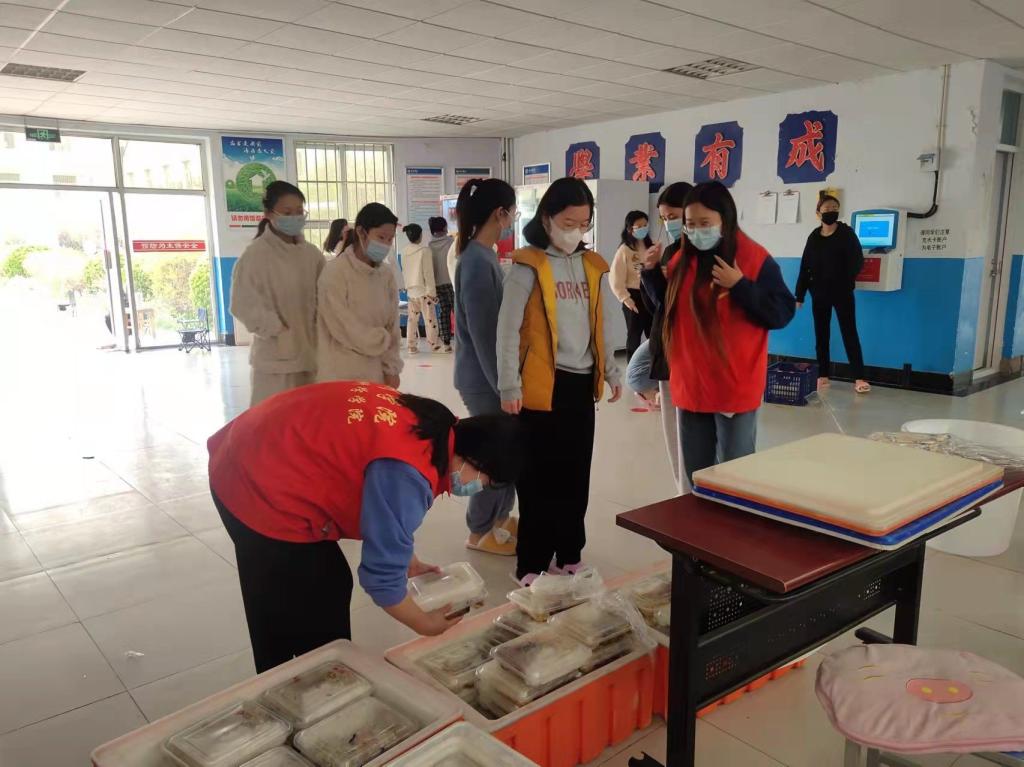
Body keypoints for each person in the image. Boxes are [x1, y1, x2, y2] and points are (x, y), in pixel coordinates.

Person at [208, 381, 524, 672]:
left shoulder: (437, 424)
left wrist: (405, 556)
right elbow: (382, 580)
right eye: (486, 481)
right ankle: (313, 685)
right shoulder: (408, 471)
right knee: (318, 599)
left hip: (253, 445)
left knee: (282, 591)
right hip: (256, 479)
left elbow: (383, 505)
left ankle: (276, 676)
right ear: (474, 460)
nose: (479, 488)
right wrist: (424, 624)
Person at [497, 177, 623, 584]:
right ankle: (531, 563)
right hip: (539, 386)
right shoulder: (527, 266)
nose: (576, 232)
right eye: (569, 223)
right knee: (537, 479)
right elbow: (507, 330)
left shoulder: (593, 266)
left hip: (580, 386)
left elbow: (603, 322)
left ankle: (569, 553)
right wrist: (509, 385)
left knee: (575, 475)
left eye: (584, 224)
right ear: (547, 218)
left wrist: (612, 371)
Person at [662, 181, 795, 483]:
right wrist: (649, 276)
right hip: (692, 384)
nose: (696, 231)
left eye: (705, 223)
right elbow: (667, 312)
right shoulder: (681, 260)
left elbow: (781, 312)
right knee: (697, 475)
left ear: (725, 219)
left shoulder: (754, 259)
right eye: (690, 224)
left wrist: (740, 285)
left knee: (736, 475)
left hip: (732, 384)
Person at [452, 178, 520, 557]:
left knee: (508, 453)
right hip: (484, 380)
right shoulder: (476, 261)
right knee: (494, 456)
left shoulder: (484, 255)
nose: (513, 219)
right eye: (512, 211)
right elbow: (482, 334)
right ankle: (478, 531)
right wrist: (503, 386)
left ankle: (499, 520)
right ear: (500, 213)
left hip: (492, 376)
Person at [230, 181, 325, 407]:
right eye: (287, 212)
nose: (295, 218)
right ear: (268, 214)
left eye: (299, 212)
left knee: (308, 421)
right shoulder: (255, 256)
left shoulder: (312, 255)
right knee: (273, 421)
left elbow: (326, 298)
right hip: (274, 364)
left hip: (310, 359)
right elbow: (242, 305)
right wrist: (279, 331)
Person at [638, 181, 693, 492]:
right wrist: (649, 272)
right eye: (664, 218)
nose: (669, 223)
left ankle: (693, 493)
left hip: (692, 354)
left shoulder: (706, 254)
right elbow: (659, 306)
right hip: (668, 348)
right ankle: (682, 492)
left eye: (673, 216)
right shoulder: (670, 252)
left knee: (692, 433)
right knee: (674, 431)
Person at [316, 202, 402, 386]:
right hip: (340, 376)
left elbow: (392, 326)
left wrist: (391, 367)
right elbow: (343, 326)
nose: (386, 244)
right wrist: (381, 340)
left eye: (390, 239)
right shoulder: (336, 272)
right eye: (381, 237)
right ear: (362, 232)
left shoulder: (385, 275)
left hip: (377, 376)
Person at [795, 195, 870, 393]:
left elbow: (857, 260)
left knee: (849, 333)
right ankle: (823, 375)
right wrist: (800, 295)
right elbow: (805, 266)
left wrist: (845, 280)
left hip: (842, 292)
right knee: (821, 334)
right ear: (818, 213)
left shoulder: (847, 234)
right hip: (819, 293)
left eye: (835, 207)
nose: (831, 211)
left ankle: (859, 378)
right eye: (827, 208)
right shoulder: (814, 237)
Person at [610, 211, 655, 364]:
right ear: (630, 229)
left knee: (653, 333)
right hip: (633, 297)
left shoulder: (651, 246)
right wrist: (626, 299)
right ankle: (632, 368)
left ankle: (653, 366)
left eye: (645, 225)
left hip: (651, 295)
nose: (643, 229)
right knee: (634, 335)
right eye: (639, 226)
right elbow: (615, 278)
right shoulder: (624, 250)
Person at [400, 224, 441, 354]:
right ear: (420, 235)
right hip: (424, 291)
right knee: (430, 319)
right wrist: (432, 292)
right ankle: (434, 344)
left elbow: (404, 271)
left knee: (412, 320)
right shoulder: (425, 251)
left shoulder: (404, 251)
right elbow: (428, 273)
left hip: (411, 291)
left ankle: (411, 345)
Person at [428, 216, 455, 352]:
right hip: (451, 282)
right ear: (444, 228)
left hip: (437, 284)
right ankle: (463, 339)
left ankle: (446, 343)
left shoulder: (429, 246)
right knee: (457, 311)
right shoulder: (451, 242)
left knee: (444, 312)